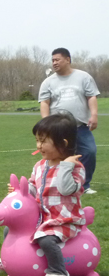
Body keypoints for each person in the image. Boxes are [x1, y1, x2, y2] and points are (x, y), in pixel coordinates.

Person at [0, 113, 85, 276]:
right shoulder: (40, 166)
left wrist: (65, 166)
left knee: (46, 239)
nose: (38, 146)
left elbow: (65, 189)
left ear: (63, 143)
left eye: (43, 141)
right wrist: (20, 191)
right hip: (43, 218)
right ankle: (7, 262)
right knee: (9, 230)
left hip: (64, 220)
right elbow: (33, 186)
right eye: (37, 140)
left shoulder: (75, 168)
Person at [39, 47, 100, 194]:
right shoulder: (48, 82)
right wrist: (47, 124)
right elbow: (45, 102)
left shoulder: (83, 77)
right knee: (59, 155)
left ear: (67, 59)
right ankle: (56, 184)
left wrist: (94, 115)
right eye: (52, 60)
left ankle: (84, 185)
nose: (54, 63)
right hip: (59, 129)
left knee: (89, 152)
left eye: (57, 60)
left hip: (80, 126)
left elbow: (91, 97)